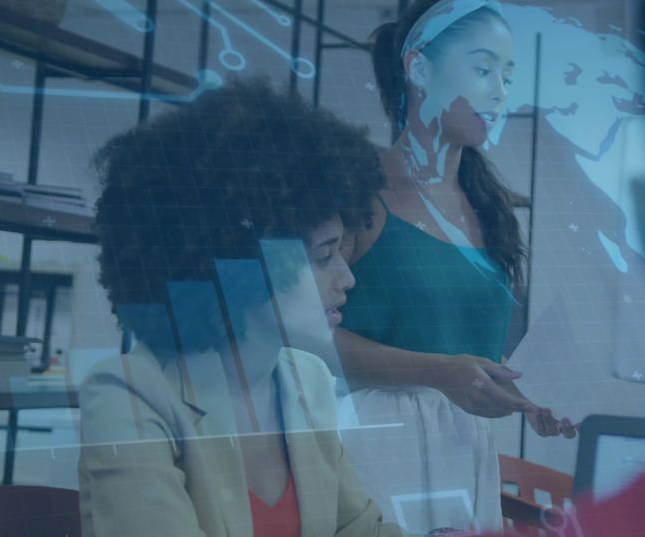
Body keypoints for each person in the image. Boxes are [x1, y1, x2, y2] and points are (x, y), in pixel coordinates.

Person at [77, 77, 405, 537]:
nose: (346, 278)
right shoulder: (129, 396)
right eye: (323, 256)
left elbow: (358, 529)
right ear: (238, 266)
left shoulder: (305, 381)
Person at [333, 0, 576, 535]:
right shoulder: (352, 187)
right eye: (483, 70)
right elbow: (300, 342)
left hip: (464, 454)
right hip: (371, 450)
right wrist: (438, 374)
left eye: (507, 76)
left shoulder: (492, 209)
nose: (500, 93)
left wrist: (522, 398)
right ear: (419, 70)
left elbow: (471, 356)